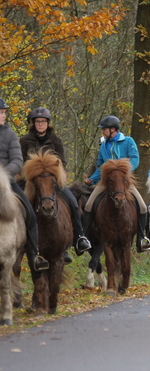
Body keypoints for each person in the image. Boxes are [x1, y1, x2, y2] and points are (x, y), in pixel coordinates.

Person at [19, 107, 92, 261]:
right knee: (18, 205)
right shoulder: (24, 141)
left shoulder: (56, 140)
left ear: (47, 123)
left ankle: (78, 238)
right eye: (37, 121)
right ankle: (19, 242)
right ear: (33, 124)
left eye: (43, 121)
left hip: (52, 181)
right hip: (30, 182)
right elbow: (21, 162)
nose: (40, 124)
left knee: (72, 202)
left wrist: (58, 174)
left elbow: (62, 162)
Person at [83, 115, 150, 252]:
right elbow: (101, 166)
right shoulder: (103, 146)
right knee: (88, 206)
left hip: (124, 182)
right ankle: (84, 239)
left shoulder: (128, 141)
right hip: (106, 182)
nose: (102, 132)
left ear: (113, 129)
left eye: (104, 129)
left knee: (143, 207)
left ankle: (141, 239)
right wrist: (92, 179)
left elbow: (135, 159)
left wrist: (122, 173)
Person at [0, 97, 49, 272]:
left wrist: (3, 175)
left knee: (29, 212)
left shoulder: (9, 134)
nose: (4, 115)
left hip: (7, 184)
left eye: (4, 112)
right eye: (1, 112)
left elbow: (17, 161)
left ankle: (35, 254)